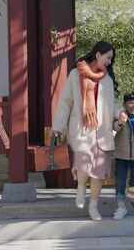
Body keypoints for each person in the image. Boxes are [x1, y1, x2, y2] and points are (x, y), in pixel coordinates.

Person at [52, 41, 118, 221]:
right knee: (82, 163)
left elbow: (112, 106)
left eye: (111, 59)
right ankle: (81, 187)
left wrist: (119, 116)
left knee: (98, 171)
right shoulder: (75, 74)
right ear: (98, 54)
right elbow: (66, 102)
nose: (110, 62)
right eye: (108, 57)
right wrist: (58, 126)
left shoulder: (108, 79)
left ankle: (94, 206)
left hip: (102, 131)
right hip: (82, 129)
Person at [112, 92, 134, 220]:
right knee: (120, 181)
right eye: (131, 102)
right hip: (121, 154)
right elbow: (114, 128)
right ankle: (121, 207)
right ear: (125, 104)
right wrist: (120, 122)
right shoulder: (120, 115)